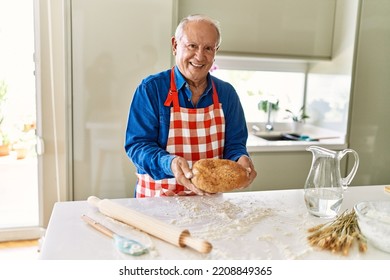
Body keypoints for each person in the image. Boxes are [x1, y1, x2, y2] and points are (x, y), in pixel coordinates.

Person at [124, 14, 257, 197]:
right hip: (158, 199)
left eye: (208, 48)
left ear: (216, 52)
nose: (200, 56)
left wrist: (240, 159)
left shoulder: (227, 94)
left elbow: (235, 145)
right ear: (175, 45)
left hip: (209, 203)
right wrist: (169, 163)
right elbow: (137, 146)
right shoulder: (151, 89)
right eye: (192, 46)